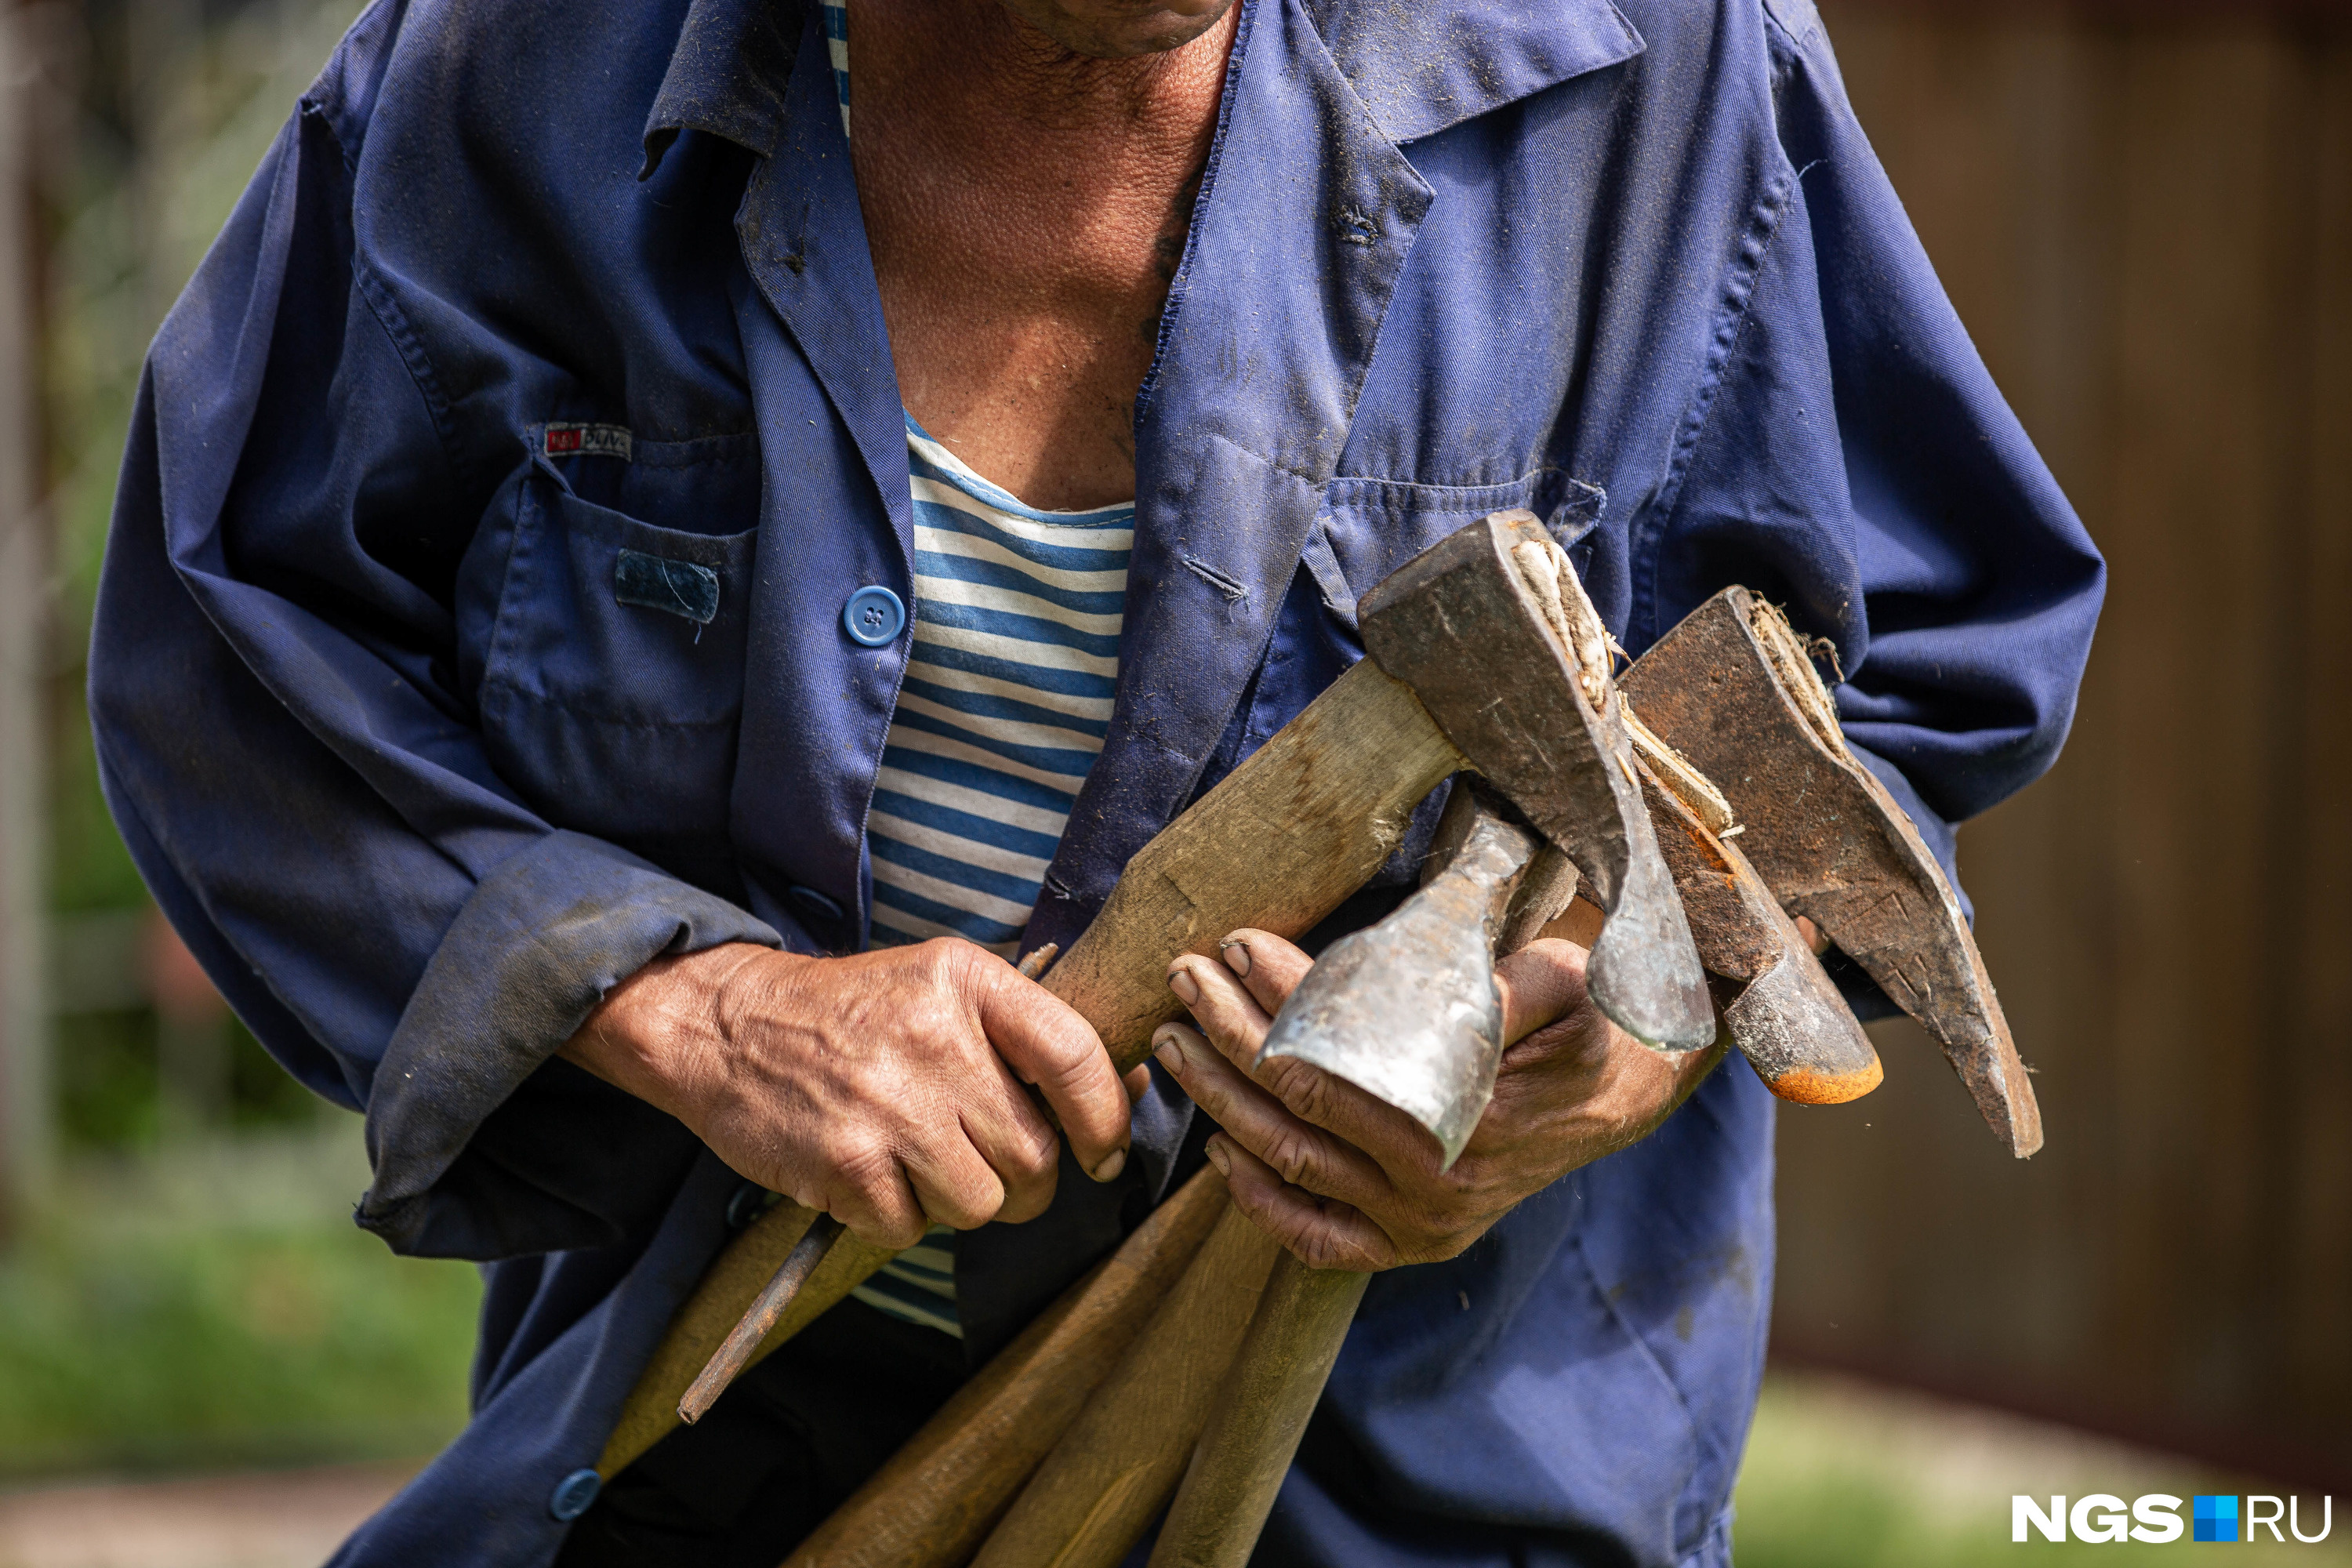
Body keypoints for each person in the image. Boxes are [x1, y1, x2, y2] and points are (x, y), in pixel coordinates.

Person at [86, 0, 2104, 1561]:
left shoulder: (1652, 76)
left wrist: (1624, 1040)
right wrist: (689, 1007)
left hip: (1432, 1478)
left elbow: (1923, 657)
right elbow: (235, 658)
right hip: (701, 1439)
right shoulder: (517, 77)